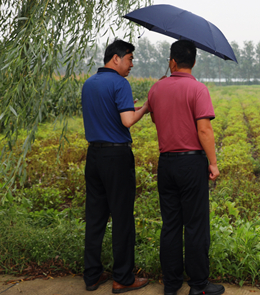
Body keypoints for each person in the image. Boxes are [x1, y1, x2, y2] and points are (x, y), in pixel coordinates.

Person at [146, 40, 225, 295]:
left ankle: (171, 285)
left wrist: (161, 87)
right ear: (194, 61)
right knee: (195, 225)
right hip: (191, 164)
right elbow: (204, 130)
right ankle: (198, 285)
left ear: (172, 61)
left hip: (166, 164)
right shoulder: (198, 89)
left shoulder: (156, 88)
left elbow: (156, 118)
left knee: (170, 224)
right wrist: (213, 163)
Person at [81, 39, 150, 293]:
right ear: (116, 58)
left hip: (94, 156)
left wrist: (133, 108)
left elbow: (107, 115)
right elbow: (127, 120)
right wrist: (146, 107)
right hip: (116, 157)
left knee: (95, 217)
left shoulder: (89, 84)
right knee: (122, 218)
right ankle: (123, 278)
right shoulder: (120, 83)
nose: (132, 64)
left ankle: (92, 275)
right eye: (130, 59)